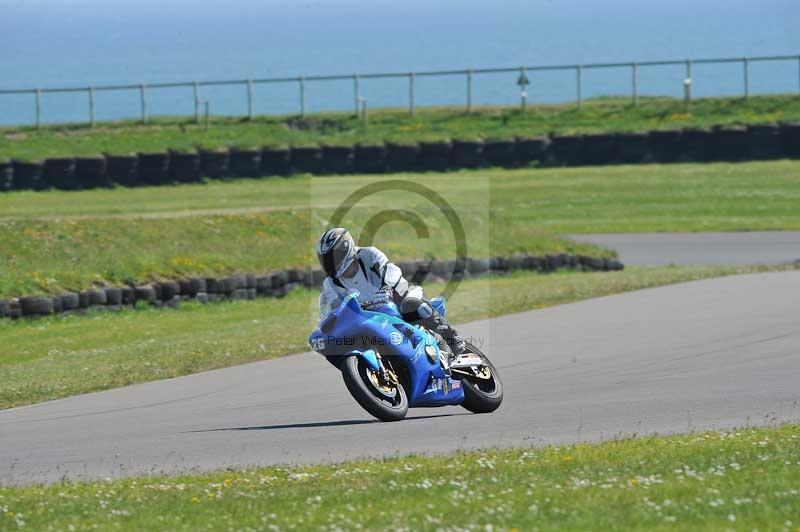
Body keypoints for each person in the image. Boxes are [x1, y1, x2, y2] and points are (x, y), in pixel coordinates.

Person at [316, 227, 465, 356]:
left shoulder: (368, 254)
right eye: (325, 260)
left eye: (333, 258)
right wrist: (328, 320)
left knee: (411, 304)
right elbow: (335, 307)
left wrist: (386, 288)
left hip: (399, 296)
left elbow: (392, 271)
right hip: (372, 315)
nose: (330, 264)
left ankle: (452, 337)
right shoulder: (331, 283)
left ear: (345, 249)